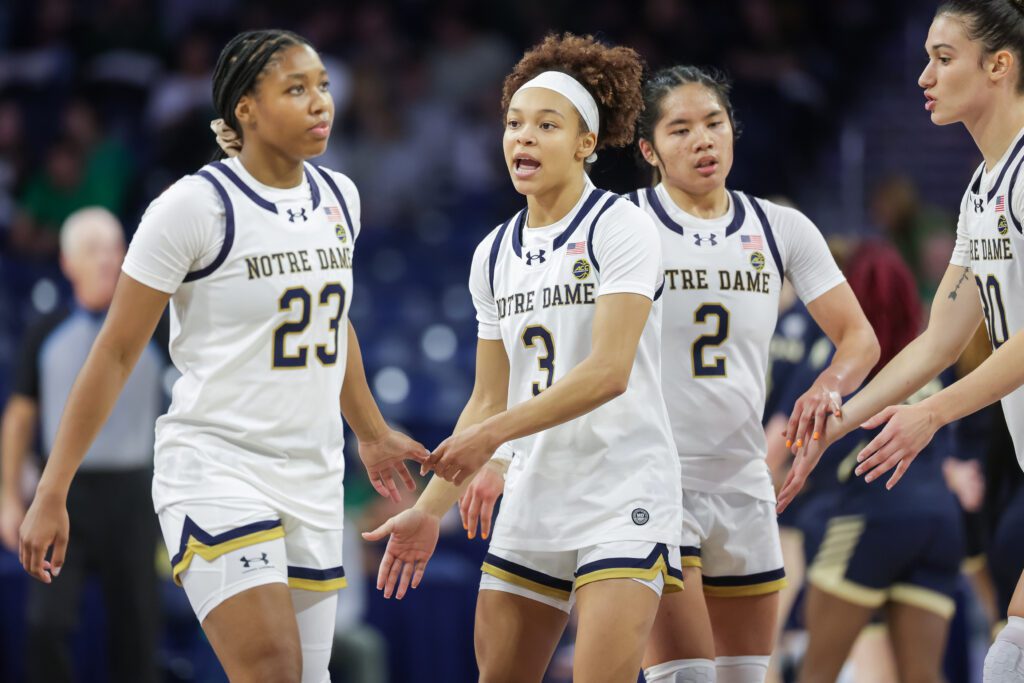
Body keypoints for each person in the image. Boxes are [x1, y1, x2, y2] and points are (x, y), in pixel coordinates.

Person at [16, 29, 426, 683]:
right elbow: (116, 352)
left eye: (322, 85)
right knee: (272, 668)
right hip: (218, 467)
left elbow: (333, 320)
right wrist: (53, 488)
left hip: (314, 476)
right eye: (296, 89)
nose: (321, 102)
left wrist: (371, 431)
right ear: (246, 110)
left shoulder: (338, 196)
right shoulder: (191, 207)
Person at [364, 33, 684, 682]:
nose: (523, 139)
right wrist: (428, 512)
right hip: (537, 492)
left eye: (546, 125)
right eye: (513, 124)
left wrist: (492, 438)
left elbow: (609, 371)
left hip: (622, 487)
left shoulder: (619, 226)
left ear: (586, 143)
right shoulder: (494, 252)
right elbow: (487, 397)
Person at [776, 3, 1024, 681]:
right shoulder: (983, 190)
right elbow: (938, 339)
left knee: (1010, 655)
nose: (924, 75)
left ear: (999, 66)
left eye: (944, 58)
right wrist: (835, 429)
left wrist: (933, 412)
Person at [622, 65, 879, 683]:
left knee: (743, 677)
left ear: (734, 131)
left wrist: (828, 386)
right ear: (649, 151)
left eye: (713, 124)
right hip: (655, 481)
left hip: (744, 481)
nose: (703, 140)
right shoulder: (624, 223)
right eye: (680, 130)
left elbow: (860, 338)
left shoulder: (780, 226)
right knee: (687, 676)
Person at [0, 207, 163, 683]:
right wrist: (8, 496)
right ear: (68, 262)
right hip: (63, 493)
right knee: (45, 623)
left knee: (138, 629)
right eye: (94, 251)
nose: (108, 260)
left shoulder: (157, 326)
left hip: (135, 495)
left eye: (115, 249)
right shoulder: (45, 333)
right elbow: (18, 417)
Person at [789, 242, 964, 683]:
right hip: (940, 522)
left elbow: (808, 448)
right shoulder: (932, 363)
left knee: (816, 674)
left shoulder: (842, 369)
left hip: (869, 519)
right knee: (922, 676)